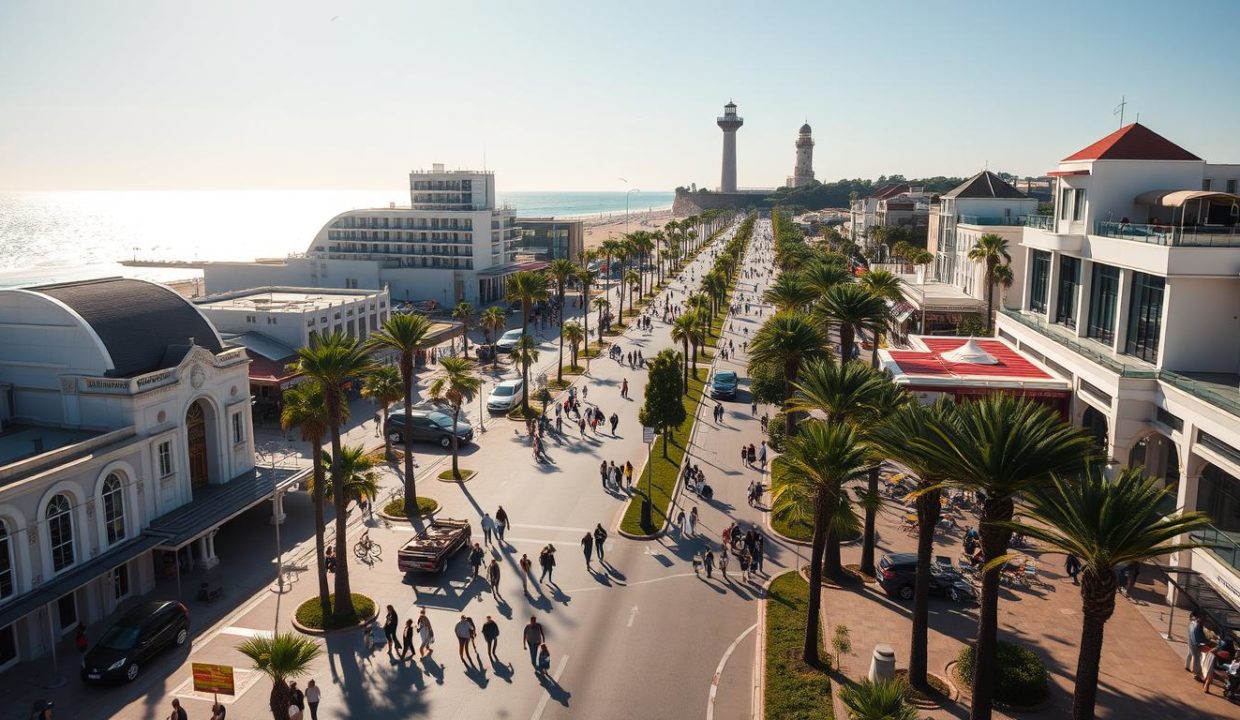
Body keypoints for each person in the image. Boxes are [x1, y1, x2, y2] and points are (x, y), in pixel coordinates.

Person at [1187, 611, 1209, 680]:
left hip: (1190, 641)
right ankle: (1196, 674)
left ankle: (1187, 666)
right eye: (1204, 620)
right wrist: (1202, 643)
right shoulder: (1197, 626)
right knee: (1196, 658)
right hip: (1195, 644)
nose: (1205, 622)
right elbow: (1197, 636)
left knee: (1190, 654)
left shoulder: (1192, 623)